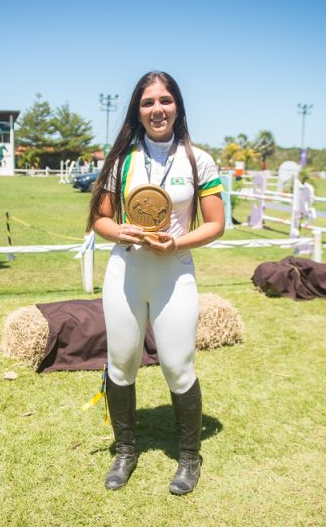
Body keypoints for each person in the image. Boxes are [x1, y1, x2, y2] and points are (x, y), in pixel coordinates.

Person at [85, 71, 225, 494]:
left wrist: (177, 241)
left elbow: (217, 224)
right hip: (125, 272)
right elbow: (99, 220)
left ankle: (188, 458)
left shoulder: (199, 160)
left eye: (165, 100)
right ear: (137, 110)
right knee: (122, 363)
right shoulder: (122, 159)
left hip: (174, 271)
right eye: (148, 102)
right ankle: (125, 450)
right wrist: (119, 231)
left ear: (177, 106)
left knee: (178, 367)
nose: (157, 109)